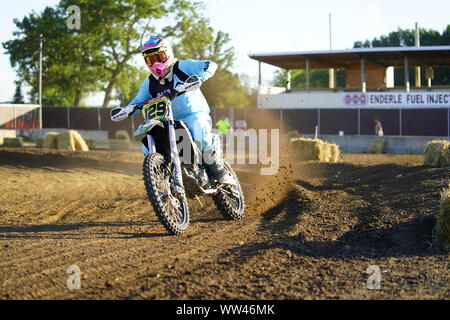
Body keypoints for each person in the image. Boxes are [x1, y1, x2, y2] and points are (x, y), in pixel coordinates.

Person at [115, 37, 231, 183]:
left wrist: (200, 77)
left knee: (199, 132)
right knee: (147, 149)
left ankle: (218, 169)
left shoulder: (183, 67)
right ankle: (165, 181)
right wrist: (127, 109)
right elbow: (138, 100)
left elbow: (209, 65)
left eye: (159, 57)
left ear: (168, 53)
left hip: (193, 114)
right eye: (151, 60)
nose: (156, 63)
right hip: (168, 121)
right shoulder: (149, 83)